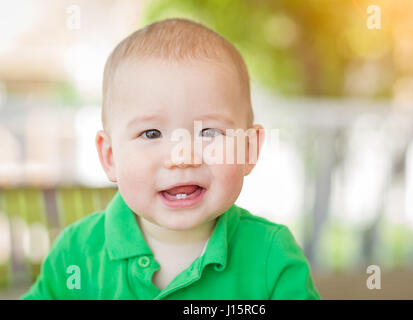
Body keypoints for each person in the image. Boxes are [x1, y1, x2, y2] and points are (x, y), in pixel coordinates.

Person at [21, 18, 320, 300]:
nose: (182, 157)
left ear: (248, 149)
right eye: (151, 134)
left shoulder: (272, 257)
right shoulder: (76, 254)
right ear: (110, 157)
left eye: (208, 132)